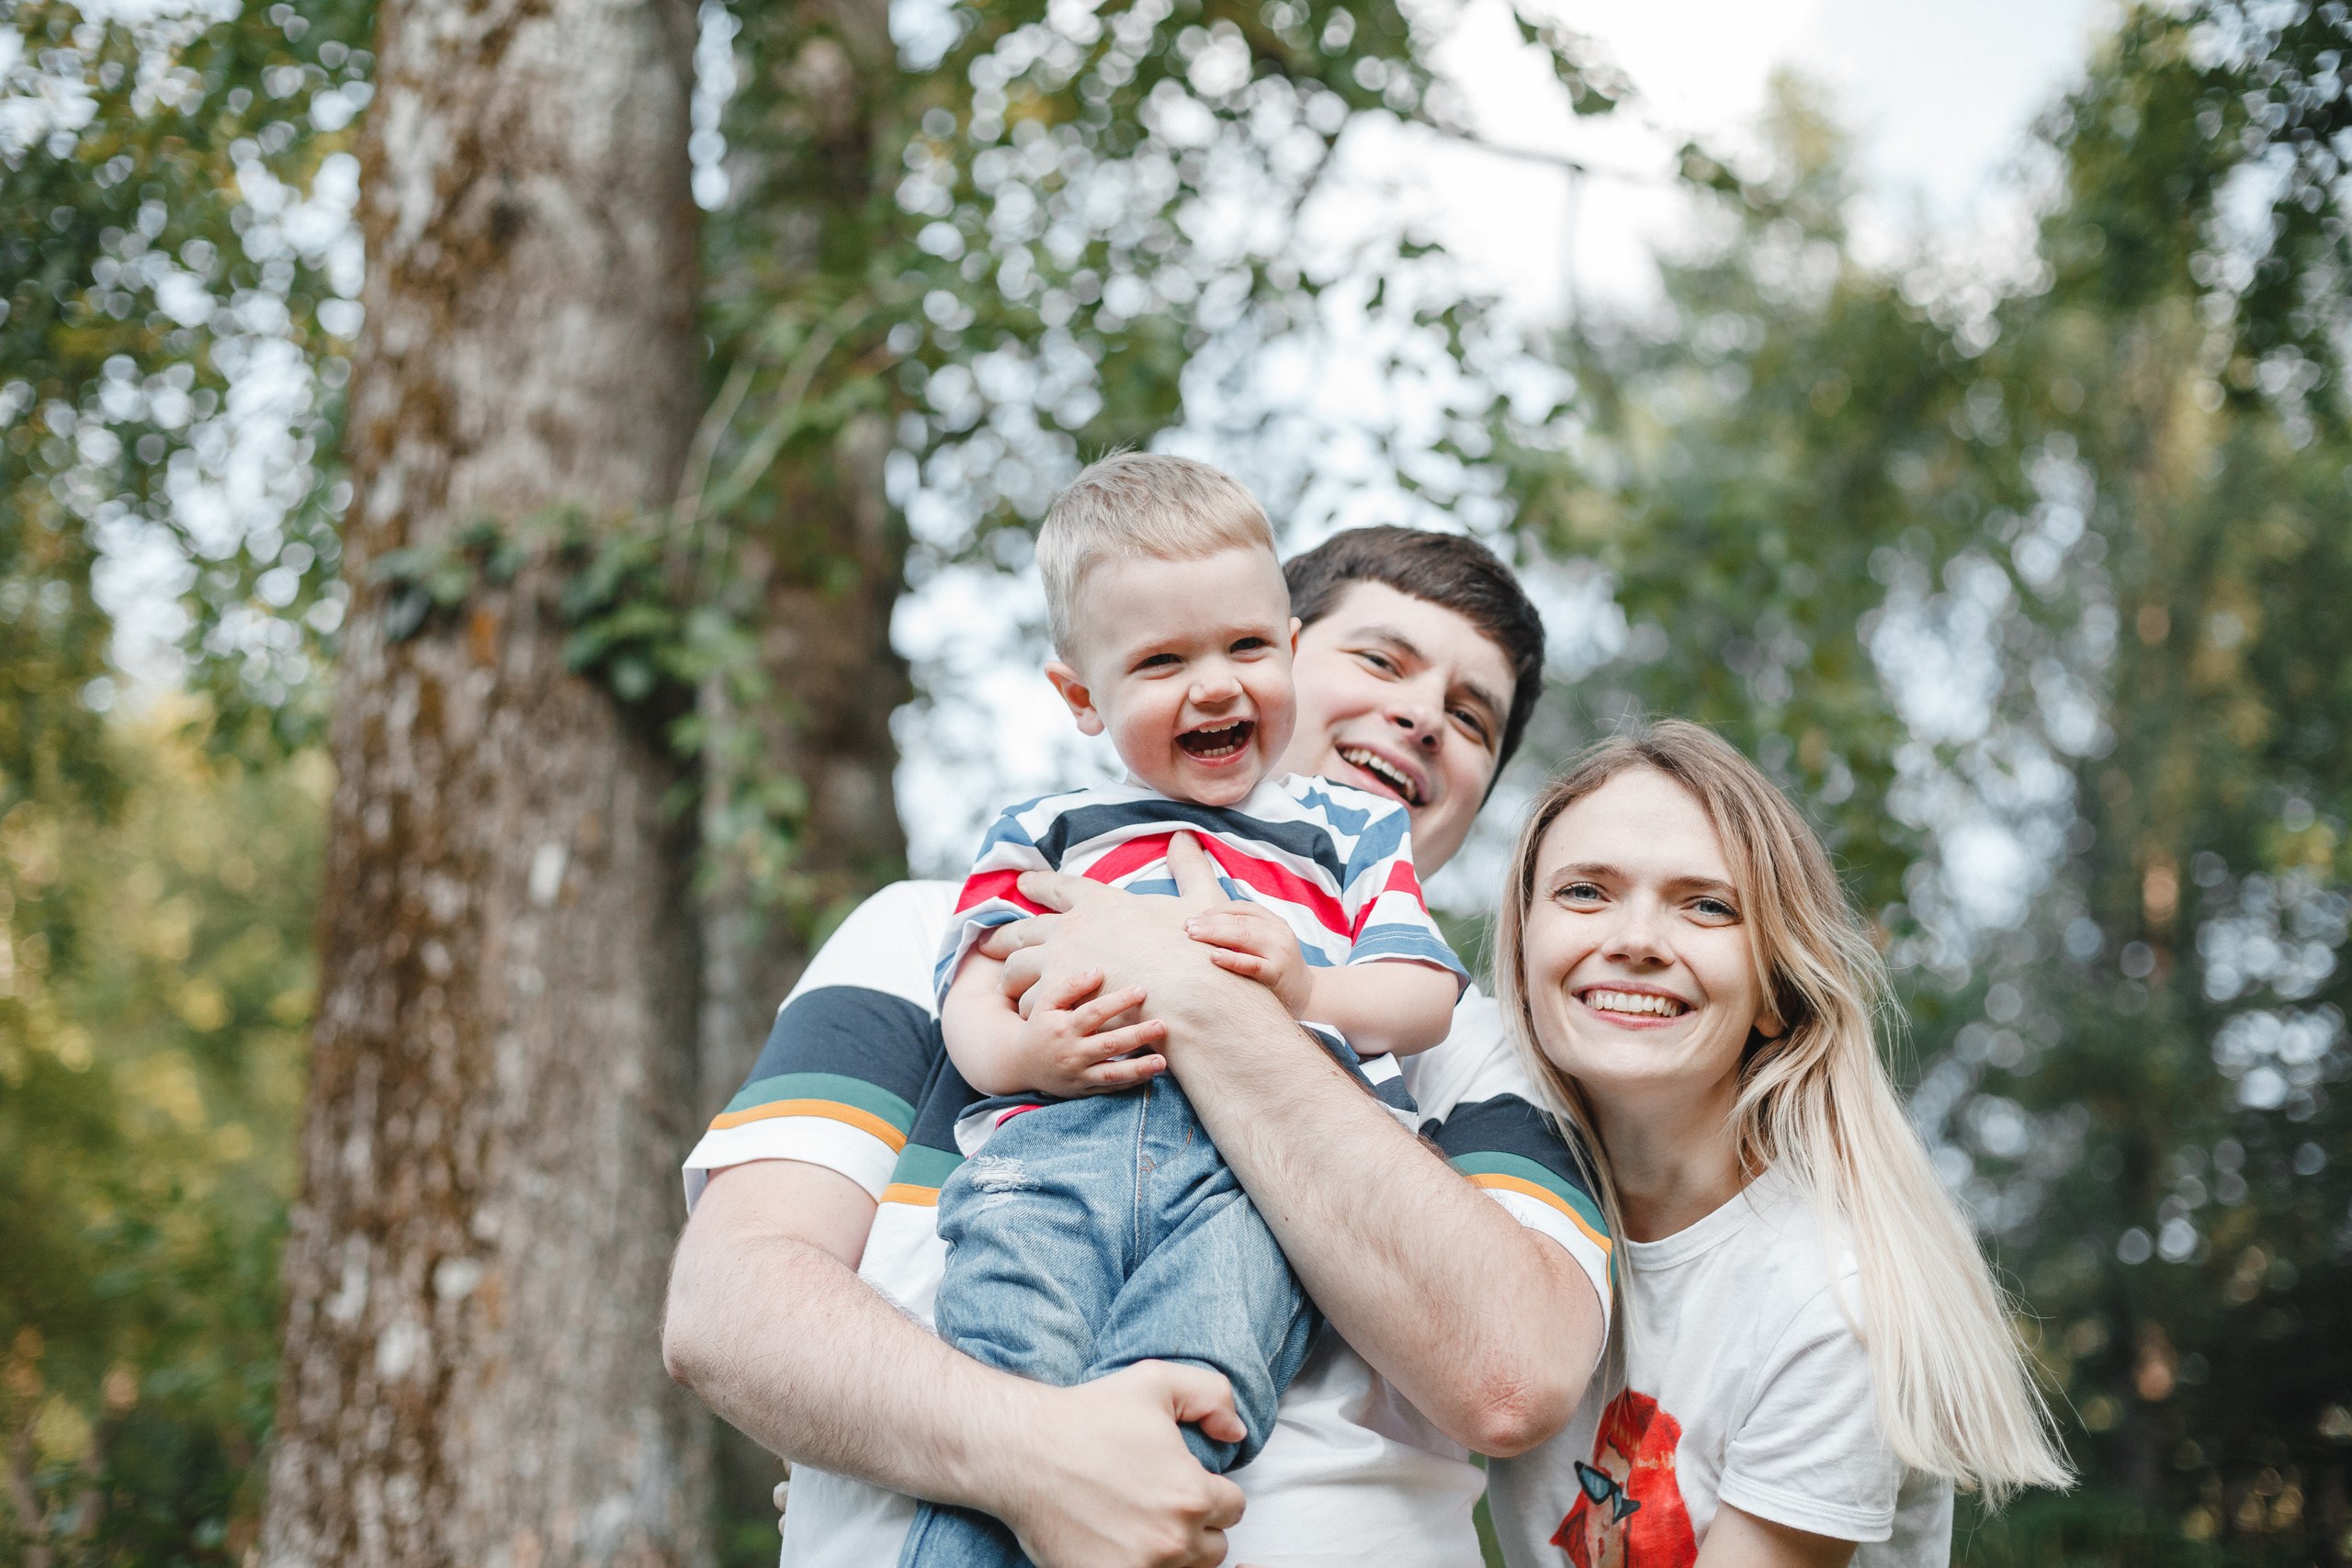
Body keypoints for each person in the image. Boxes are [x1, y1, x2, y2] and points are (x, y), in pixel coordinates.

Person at [662, 524, 1612, 1568]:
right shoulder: (933, 935)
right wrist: (1038, 1458)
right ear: (1274, 657)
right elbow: (729, 1304)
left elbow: (1512, 1376)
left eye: (1471, 715)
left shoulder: (1489, 1050)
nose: (1423, 715)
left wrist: (1196, 990)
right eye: (1381, 660)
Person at [907, 455, 1468, 1567]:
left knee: (1189, 1397)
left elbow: (1419, 1000)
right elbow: (969, 991)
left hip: (1261, 1183)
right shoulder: (1048, 827)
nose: (1215, 687)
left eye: (1247, 648)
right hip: (1056, 1155)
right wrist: (1032, 1051)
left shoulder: (1347, 835)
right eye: (1162, 662)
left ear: (1292, 651)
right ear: (1080, 696)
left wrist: (1304, 988)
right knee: (1006, 1404)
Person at [1480, 722, 2071, 1568]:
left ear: (1772, 991)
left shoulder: (1832, 1303)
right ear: (1526, 945)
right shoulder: (1494, 1192)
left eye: (1707, 905)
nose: (1637, 939)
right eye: (1584, 892)